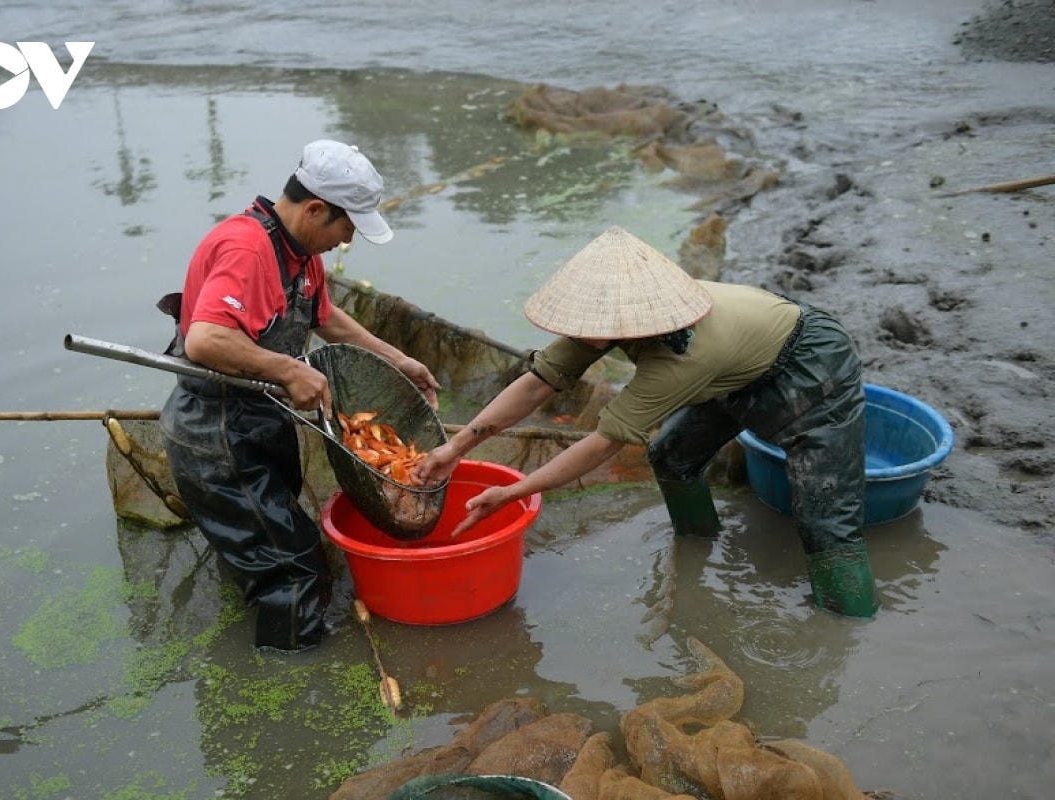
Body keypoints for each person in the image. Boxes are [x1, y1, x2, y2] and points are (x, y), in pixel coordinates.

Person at [415, 225, 878, 618]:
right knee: (672, 456)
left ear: (627, 318)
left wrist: (513, 493)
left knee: (823, 514)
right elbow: (537, 385)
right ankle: (696, 546)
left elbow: (604, 441)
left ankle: (851, 621)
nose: (581, 332)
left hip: (810, 362)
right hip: (738, 363)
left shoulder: (682, 356)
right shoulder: (605, 322)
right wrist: (454, 449)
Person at [159, 139, 440, 651]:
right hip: (215, 431)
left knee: (270, 541)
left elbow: (325, 317)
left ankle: (270, 628)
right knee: (294, 567)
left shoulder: (301, 253)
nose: (346, 240)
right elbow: (205, 339)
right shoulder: (247, 249)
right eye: (346, 227)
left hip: (262, 418)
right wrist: (289, 369)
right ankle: (290, 666)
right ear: (314, 209)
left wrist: (397, 360)